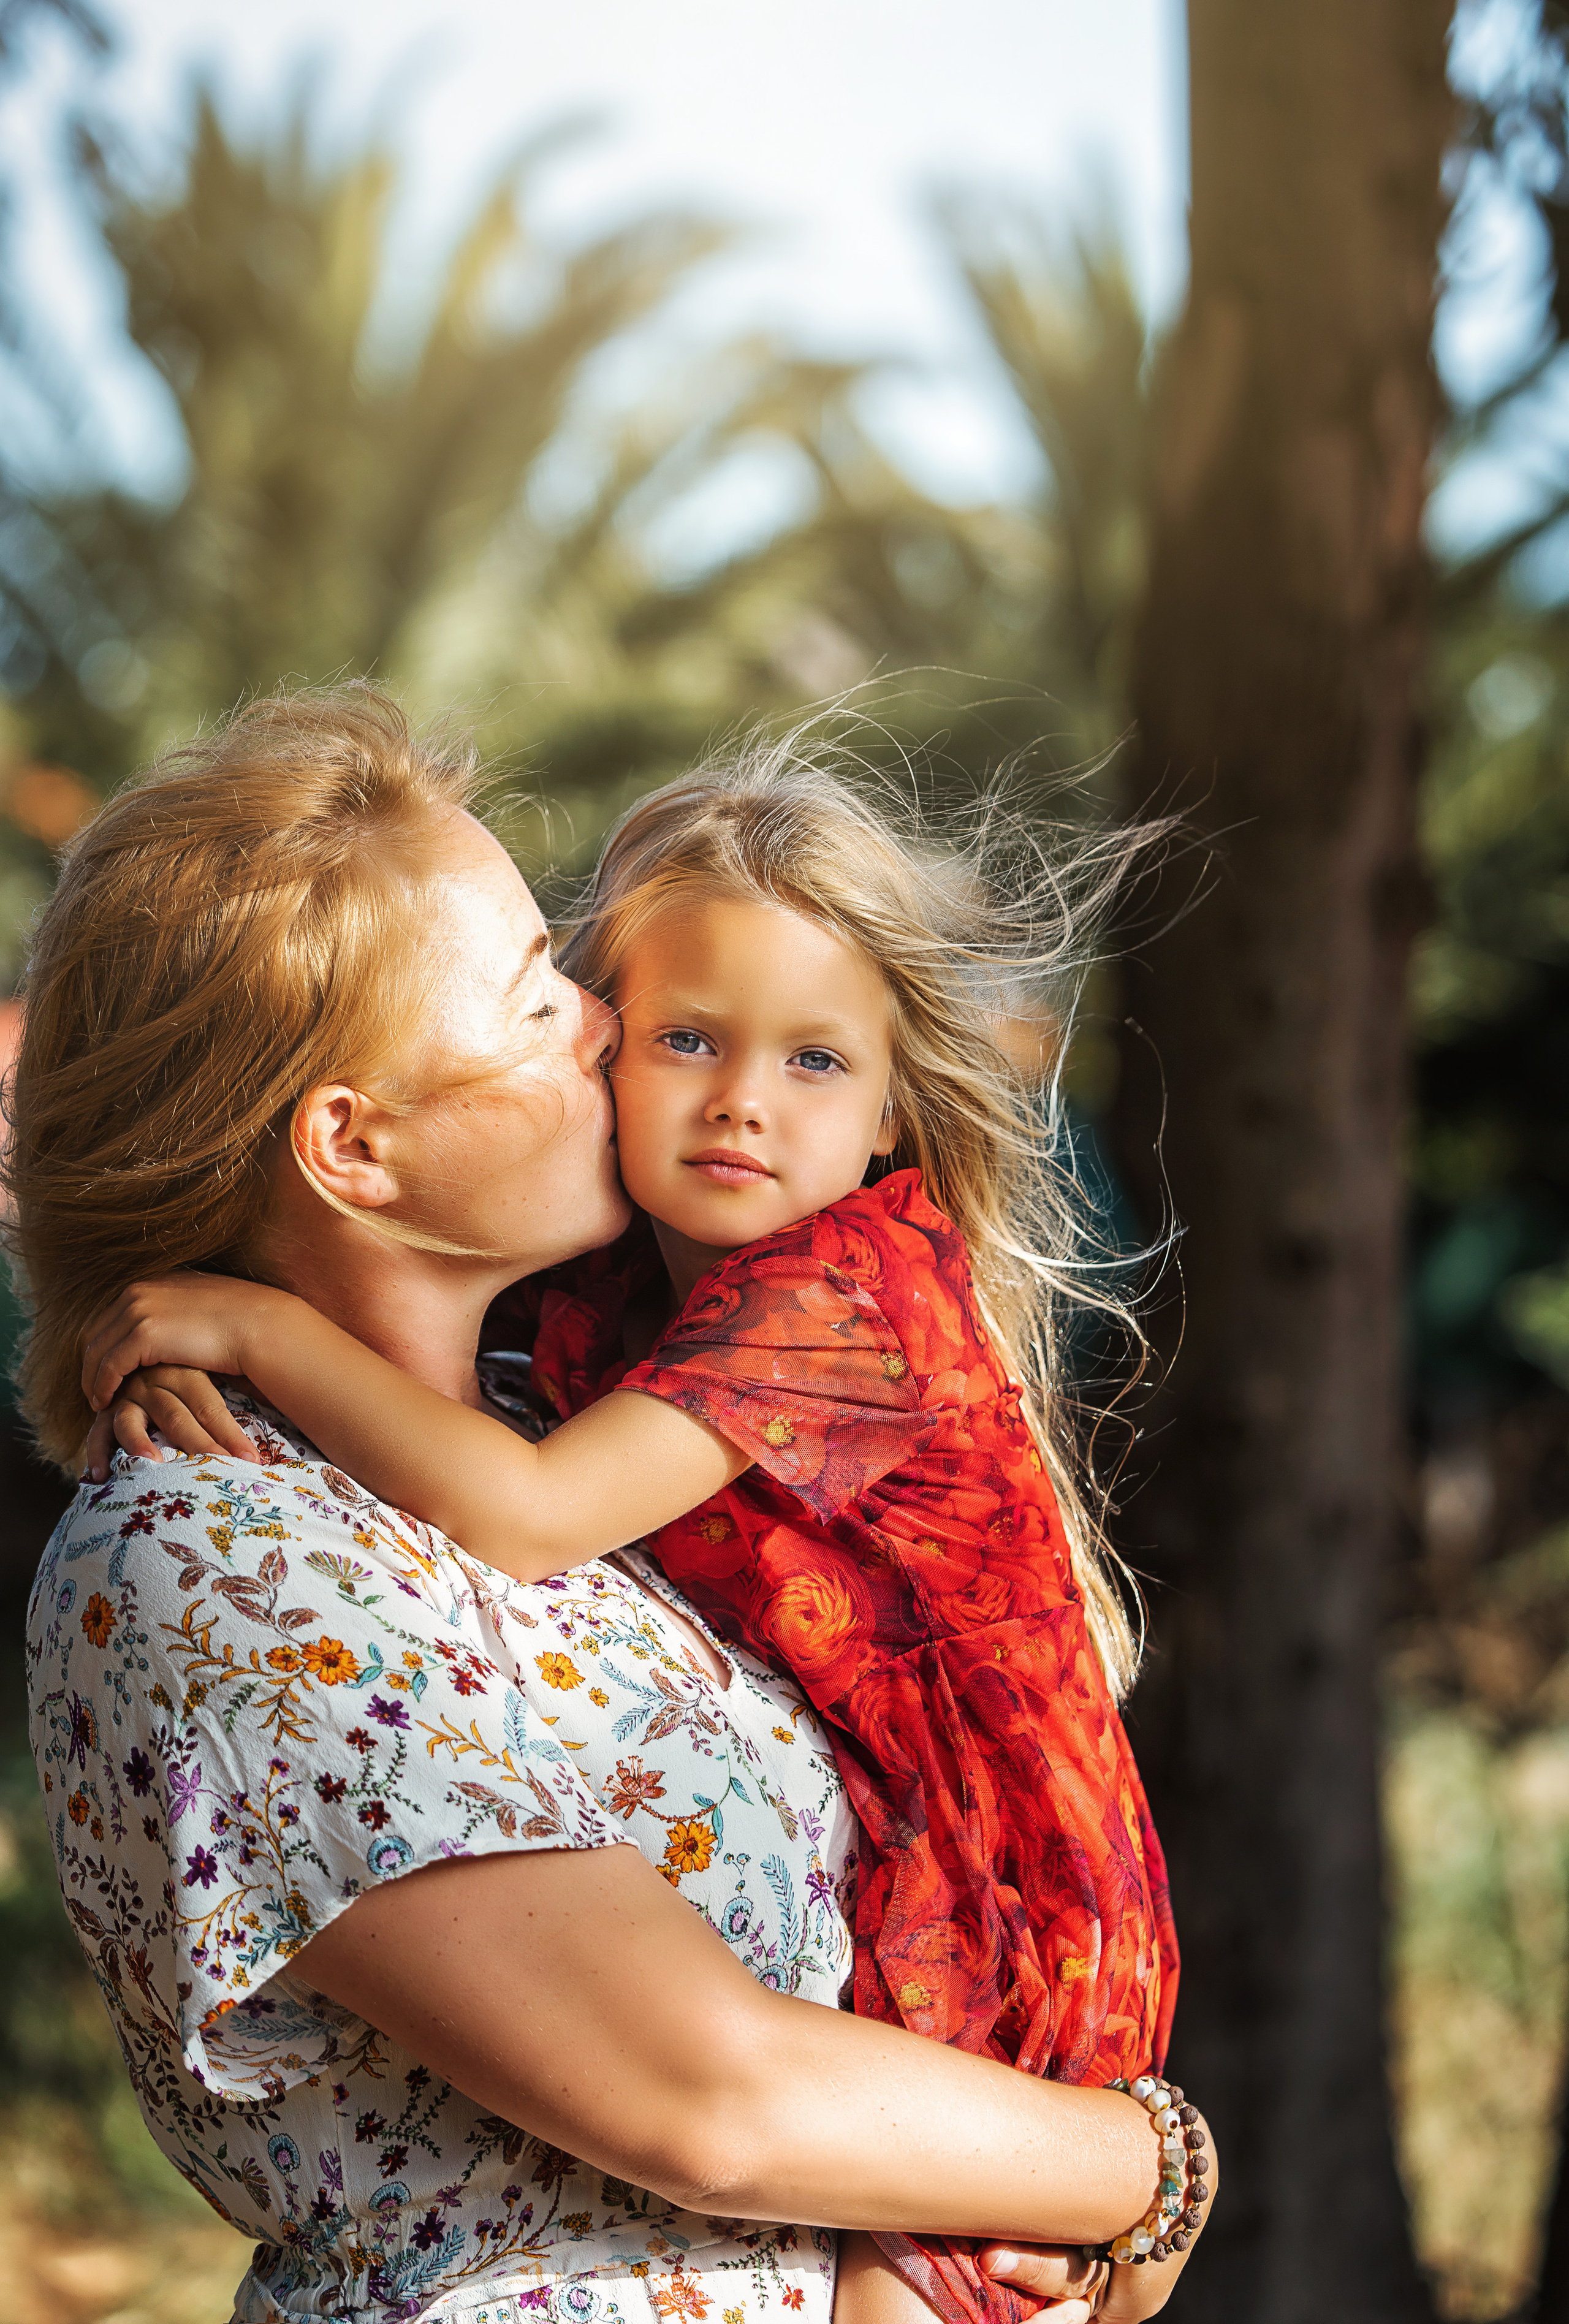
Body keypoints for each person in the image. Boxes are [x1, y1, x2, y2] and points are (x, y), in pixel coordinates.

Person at [73, 720, 1207, 2324]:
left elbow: (525, 1510)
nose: (604, 1039)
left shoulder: (696, 1344)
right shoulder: (230, 1545)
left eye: (812, 1059)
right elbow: (715, 2103)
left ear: (890, 1103)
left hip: (987, 1889)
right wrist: (1141, 2173)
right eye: (563, 1002)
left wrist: (1139, 2184)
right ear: (352, 1140)